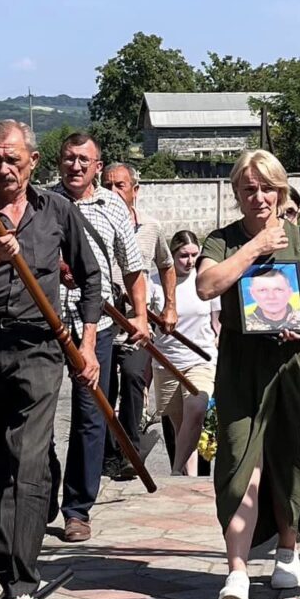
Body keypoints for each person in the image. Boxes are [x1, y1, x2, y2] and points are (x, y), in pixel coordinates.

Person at [0, 120, 103, 599]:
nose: (5, 169)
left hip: (39, 347)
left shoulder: (56, 211)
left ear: (33, 161)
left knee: (27, 460)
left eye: (13, 159)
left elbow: (92, 280)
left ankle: (21, 583)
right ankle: (7, 569)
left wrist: (89, 344)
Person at [197, 149, 300, 599]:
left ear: (281, 189)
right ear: (236, 193)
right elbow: (207, 285)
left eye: (267, 187)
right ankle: (236, 572)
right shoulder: (222, 240)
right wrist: (255, 248)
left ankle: (288, 550)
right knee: (238, 461)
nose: (258, 196)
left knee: (297, 455)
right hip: (242, 362)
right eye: (248, 188)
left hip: (295, 359)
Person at [47, 133, 149, 544]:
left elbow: (133, 267)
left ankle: (77, 509)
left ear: (97, 166)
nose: (75, 166)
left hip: (98, 327)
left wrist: (140, 315)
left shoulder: (113, 208)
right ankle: (42, 492)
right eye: (69, 158)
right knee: (39, 418)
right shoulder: (41, 204)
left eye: (83, 160)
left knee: (91, 417)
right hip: (48, 325)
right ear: (58, 162)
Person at [102, 162, 176, 481]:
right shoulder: (93, 224)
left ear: (135, 189)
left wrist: (170, 306)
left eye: (120, 185)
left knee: (133, 376)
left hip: (138, 322)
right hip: (102, 322)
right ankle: (107, 453)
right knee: (103, 388)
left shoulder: (151, 227)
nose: (113, 192)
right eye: (107, 185)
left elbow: (167, 265)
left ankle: (130, 450)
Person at [156, 230, 219, 476]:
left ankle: (174, 473)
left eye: (194, 255)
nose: (190, 261)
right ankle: (188, 479)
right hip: (167, 363)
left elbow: (218, 324)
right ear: (172, 256)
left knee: (197, 408)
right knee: (183, 428)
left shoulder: (204, 281)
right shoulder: (155, 282)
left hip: (200, 359)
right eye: (183, 255)